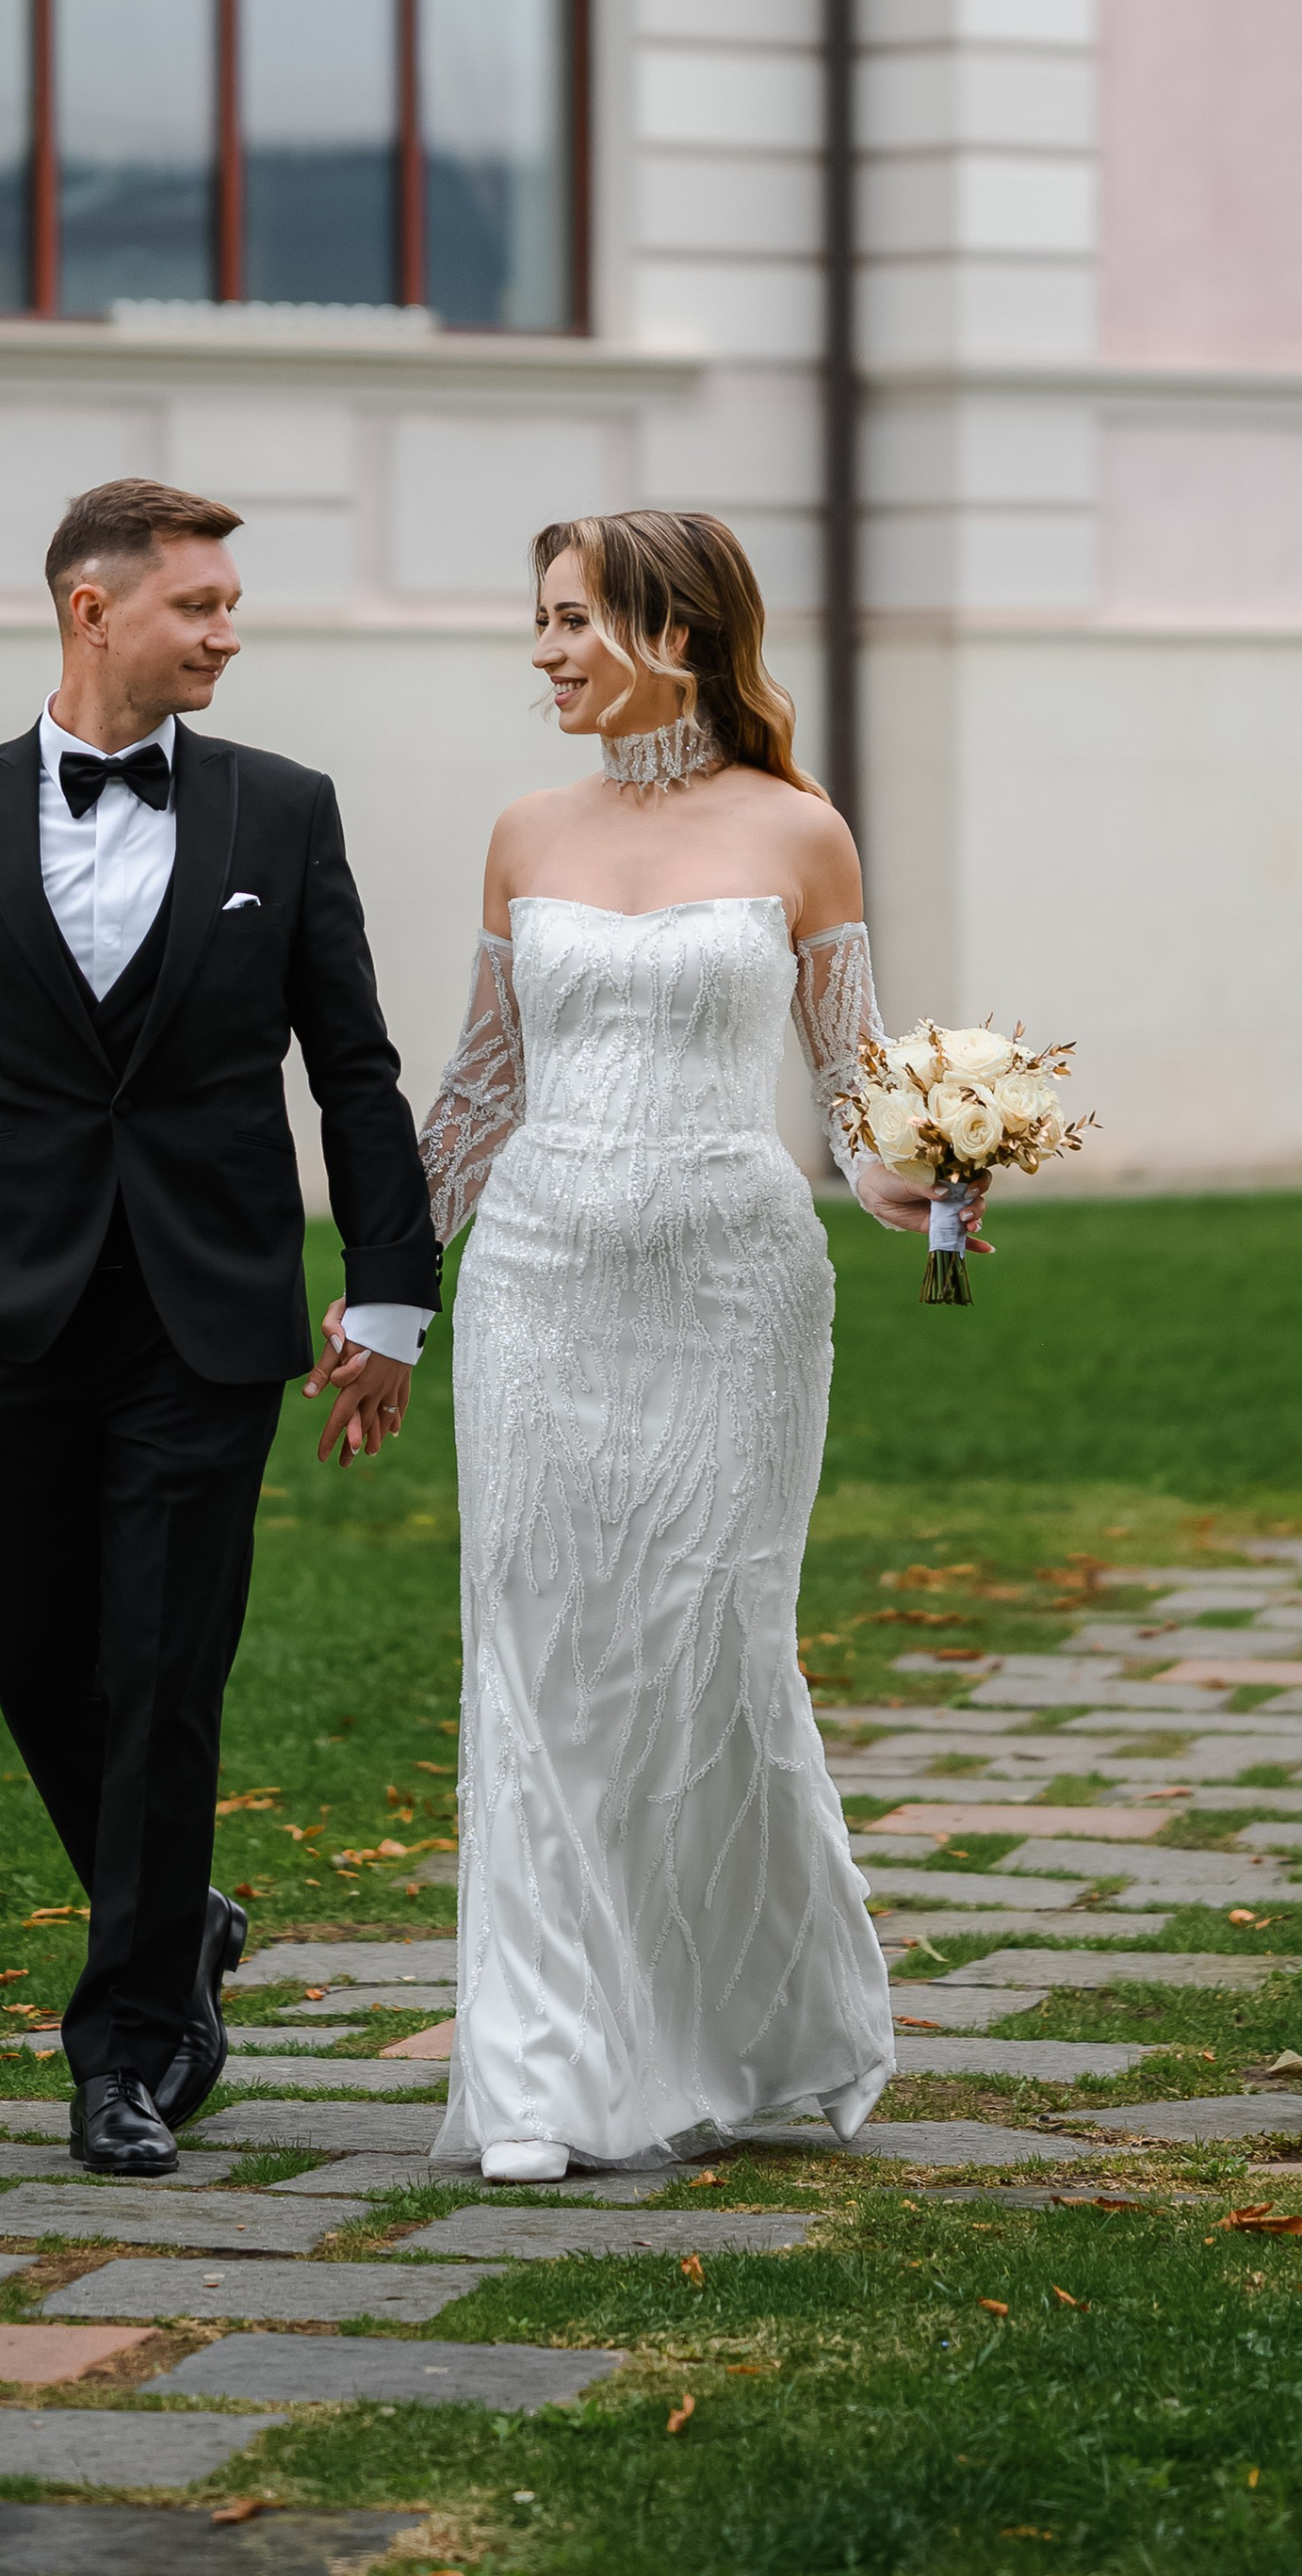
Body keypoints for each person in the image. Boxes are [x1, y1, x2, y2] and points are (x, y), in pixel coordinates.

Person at [378, 509, 976, 2183]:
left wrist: (932, 1191)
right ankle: (543, 2079)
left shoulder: (801, 835)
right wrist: (388, 1303)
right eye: (543, 620)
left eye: (575, 621)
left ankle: (745, 2028)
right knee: (541, 1652)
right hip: (541, 1277)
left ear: (680, 631)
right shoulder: (522, 832)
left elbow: (858, 1099)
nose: (548, 653)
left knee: (713, 1649)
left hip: (734, 1288)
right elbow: (484, 1087)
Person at [0, 478, 438, 2176]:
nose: (230, 631)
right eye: (201, 604)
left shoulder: (282, 812)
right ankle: (177, 1915)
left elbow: (356, 1068)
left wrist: (390, 1293)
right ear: (92, 609)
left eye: (234, 603)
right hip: (3, 1314)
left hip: (208, 1317)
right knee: (22, 1648)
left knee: (162, 1670)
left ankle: (125, 2047)